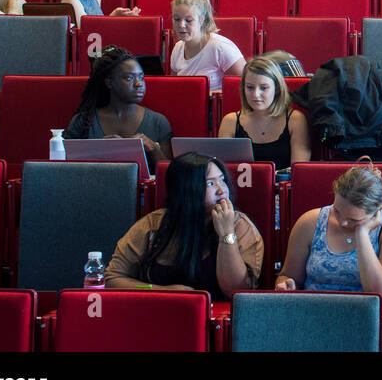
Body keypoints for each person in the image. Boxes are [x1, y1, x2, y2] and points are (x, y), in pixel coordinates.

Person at [106, 153, 262, 299]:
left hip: (218, 319)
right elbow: (113, 280)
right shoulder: (153, 224)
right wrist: (160, 291)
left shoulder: (239, 225)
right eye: (211, 183)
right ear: (186, 190)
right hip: (158, 314)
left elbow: (236, 291)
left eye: (222, 180)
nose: (222, 190)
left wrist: (226, 233)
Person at [276, 159, 382, 296]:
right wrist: (286, 284)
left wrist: (362, 234)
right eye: (337, 211)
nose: (342, 222)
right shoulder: (310, 222)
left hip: (364, 312)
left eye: (353, 219)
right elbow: (288, 276)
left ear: (377, 211)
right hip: (312, 308)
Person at [64, 46, 172, 164]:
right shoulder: (83, 122)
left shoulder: (158, 122)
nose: (138, 84)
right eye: (129, 78)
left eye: (141, 77)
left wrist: (153, 147)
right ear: (109, 82)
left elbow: (169, 175)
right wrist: (98, 149)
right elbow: (66, 169)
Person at [217, 56, 312, 171]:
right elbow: (223, 170)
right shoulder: (230, 121)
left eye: (264, 88)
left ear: (276, 89)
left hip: (280, 187)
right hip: (242, 187)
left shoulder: (295, 119)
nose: (256, 94)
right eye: (250, 87)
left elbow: (298, 171)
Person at [169, 0, 245, 94]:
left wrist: (212, 95)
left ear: (201, 20)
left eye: (188, 20)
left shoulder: (220, 47)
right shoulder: (177, 48)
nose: (181, 25)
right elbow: (174, 87)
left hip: (215, 108)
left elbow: (246, 84)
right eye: (176, 19)